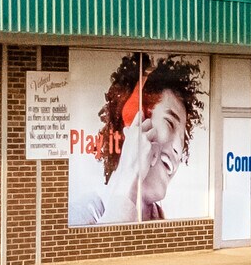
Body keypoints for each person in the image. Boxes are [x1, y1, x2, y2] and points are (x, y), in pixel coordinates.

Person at [73, 53, 205, 225]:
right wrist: (130, 177)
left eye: (183, 140)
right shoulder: (80, 215)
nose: (178, 150)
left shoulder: (162, 222)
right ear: (134, 120)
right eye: (170, 123)